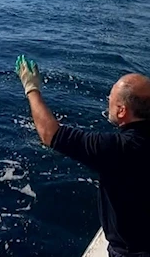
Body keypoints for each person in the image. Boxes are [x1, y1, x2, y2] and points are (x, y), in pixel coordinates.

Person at [15, 55, 150, 257]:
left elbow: (50, 134)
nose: (107, 102)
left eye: (110, 100)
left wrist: (31, 88)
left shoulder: (118, 149)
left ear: (122, 111)